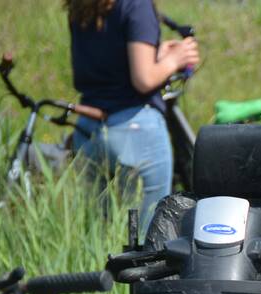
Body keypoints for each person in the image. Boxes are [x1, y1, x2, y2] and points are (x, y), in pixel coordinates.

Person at [66, 0, 199, 230]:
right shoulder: (137, 5)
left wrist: (155, 53)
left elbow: (109, 58)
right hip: (135, 131)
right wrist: (173, 60)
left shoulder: (82, 5)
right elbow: (144, 79)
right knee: (146, 236)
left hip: (88, 131)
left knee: (98, 234)